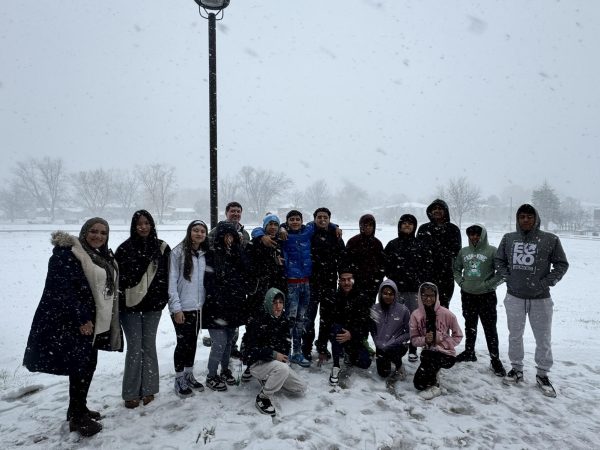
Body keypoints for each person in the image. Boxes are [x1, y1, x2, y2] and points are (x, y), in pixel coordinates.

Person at [23, 218, 122, 437]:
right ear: (84, 232)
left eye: (103, 233)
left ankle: (78, 408)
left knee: (88, 365)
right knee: (80, 368)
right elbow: (63, 290)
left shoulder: (100, 256)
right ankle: (78, 419)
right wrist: (81, 318)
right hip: (74, 323)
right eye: (93, 231)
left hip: (94, 322)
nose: (98, 236)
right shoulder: (67, 254)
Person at [495, 204, 569, 397]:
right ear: (517, 219)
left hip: (540, 299)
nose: (525, 220)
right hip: (514, 297)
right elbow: (499, 260)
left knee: (543, 338)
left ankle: (542, 374)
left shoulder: (550, 239)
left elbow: (561, 264)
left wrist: (546, 282)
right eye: (522, 217)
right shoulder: (509, 238)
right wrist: (508, 277)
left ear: (536, 218)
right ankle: (516, 369)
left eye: (529, 216)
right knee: (515, 335)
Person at [115, 210, 170, 408]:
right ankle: (130, 392)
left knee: (149, 346)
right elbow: (118, 280)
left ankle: (149, 389)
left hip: (153, 308)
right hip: (129, 308)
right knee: (134, 348)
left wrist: (161, 299)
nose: (143, 227)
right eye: (139, 223)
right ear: (133, 225)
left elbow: (167, 277)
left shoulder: (162, 248)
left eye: (147, 223)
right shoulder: (124, 249)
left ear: (152, 224)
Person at [243, 288, 307, 416]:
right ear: (268, 303)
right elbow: (249, 351)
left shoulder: (283, 320)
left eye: (280, 302)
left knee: (301, 387)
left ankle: (271, 379)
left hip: (274, 363)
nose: (278, 306)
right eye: (274, 302)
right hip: (257, 363)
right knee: (282, 369)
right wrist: (272, 354)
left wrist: (281, 354)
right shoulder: (257, 321)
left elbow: (286, 344)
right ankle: (263, 396)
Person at [453, 223, 506, 376]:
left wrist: (488, 285)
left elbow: (501, 273)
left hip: (486, 296)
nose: (474, 237)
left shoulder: (492, 251)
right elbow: (456, 269)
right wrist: (461, 282)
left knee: (490, 328)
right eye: (471, 234)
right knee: (470, 325)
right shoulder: (464, 252)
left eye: (477, 234)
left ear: (483, 235)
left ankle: (495, 359)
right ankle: (470, 352)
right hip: (468, 294)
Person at [202, 221, 248, 391]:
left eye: (232, 236)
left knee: (229, 340)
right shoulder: (212, 255)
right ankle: (211, 375)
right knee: (219, 341)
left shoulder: (237, 253)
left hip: (233, 306)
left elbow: (246, 271)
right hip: (216, 307)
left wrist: (237, 250)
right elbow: (209, 281)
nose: (229, 239)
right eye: (226, 236)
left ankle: (225, 370)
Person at [168, 220, 211, 397]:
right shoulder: (178, 253)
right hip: (182, 308)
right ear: (189, 232)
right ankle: (179, 378)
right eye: (196, 230)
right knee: (182, 343)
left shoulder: (205, 253)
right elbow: (171, 282)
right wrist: (176, 308)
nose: (199, 234)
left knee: (192, 342)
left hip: (198, 307)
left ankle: (188, 373)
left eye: (202, 231)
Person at [206, 201, 250, 355]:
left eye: (238, 211)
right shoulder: (216, 230)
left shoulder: (245, 233)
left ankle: (232, 346)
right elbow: (209, 248)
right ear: (226, 213)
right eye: (233, 211)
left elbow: (246, 254)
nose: (236, 214)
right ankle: (220, 346)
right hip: (221, 281)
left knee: (235, 317)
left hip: (237, 282)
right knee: (221, 317)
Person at [304, 207, 346, 362]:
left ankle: (322, 345)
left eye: (325, 217)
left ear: (330, 219)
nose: (322, 220)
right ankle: (306, 347)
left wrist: (343, 276)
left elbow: (342, 256)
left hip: (329, 283)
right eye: (319, 217)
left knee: (326, 318)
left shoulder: (334, 235)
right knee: (309, 318)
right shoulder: (309, 232)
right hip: (311, 282)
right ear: (314, 218)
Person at [410, 282, 463, 400]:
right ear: (420, 296)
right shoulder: (416, 315)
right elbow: (414, 340)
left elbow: (458, 335)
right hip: (428, 353)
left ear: (436, 296)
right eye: (425, 295)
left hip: (446, 355)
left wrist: (443, 342)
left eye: (431, 295)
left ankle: (435, 385)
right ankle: (433, 373)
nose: (428, 299)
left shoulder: (447, 314)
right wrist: (424, 340)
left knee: (429, 359)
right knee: (418, 384)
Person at [384, 213, 426, 362]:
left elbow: (425, 266)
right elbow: (386, 265)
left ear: (414, 226)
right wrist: (394, 279)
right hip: (397, 290)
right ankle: (397, 345)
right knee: (396, 319)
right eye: (404, 223)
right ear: (400, 226)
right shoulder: (392, 244)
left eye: (410, 223)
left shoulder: (420, 245)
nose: (407, 225)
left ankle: (413, 348)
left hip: (414, 290)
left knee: (414, 320)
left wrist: (419, 280)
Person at [325, 271, 372, 386]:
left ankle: (349, 354)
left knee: (365, 362)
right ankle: (336, 365)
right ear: (339, 281)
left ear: (354, 280)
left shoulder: (362, 298)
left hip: (354, 337)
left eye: (349, 279)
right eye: (343, 280)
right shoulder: (334, 298)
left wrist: (351, 334)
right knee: (336, 327)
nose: (346, 282)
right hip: (338, 336)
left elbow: (365, 326)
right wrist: (322, 346)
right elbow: (326, 323)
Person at [417, 199, 462, 308]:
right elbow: (417, 253)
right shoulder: (423, 229)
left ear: (445, 211)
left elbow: (457, 254)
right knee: (425, 309)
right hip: (426, 276)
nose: (437, 211)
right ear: (430, 212)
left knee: (443, 309)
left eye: (440, 208)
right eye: (434, 209)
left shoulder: (453, 230)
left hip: (446, 277)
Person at [370, 280, 411, 382]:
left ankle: (398, 364)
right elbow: (373, 329)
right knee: (383, 373)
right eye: (385, 293)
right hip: (381, 345)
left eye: (391, 294)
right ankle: (386, 360)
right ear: (380, 294)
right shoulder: (374, 309)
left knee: (394, 353)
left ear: (395, 294)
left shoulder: (403, 310)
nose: (387, 296)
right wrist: (377, 342)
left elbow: (409, 332)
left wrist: (395, 341)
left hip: (397, 345)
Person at [344, 214, 386, 305]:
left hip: (371, 287)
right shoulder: (353, 242)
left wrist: (377, 281)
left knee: (369, 312)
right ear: (361, 226)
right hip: (354, 286)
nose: (368, 228)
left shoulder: (377, 244)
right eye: (365, 225)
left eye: (370, 225)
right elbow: (345, 263)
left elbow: (382, 265)